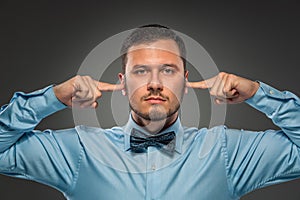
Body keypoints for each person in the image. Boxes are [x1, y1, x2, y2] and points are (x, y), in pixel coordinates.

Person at [0, 24, 299, 200]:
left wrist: (258, 93)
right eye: (141, 71)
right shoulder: (81, 151)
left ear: (185, 83)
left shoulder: (225, 152)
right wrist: (52, 97)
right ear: (124, 84)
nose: (155, 84)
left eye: (168, 71)